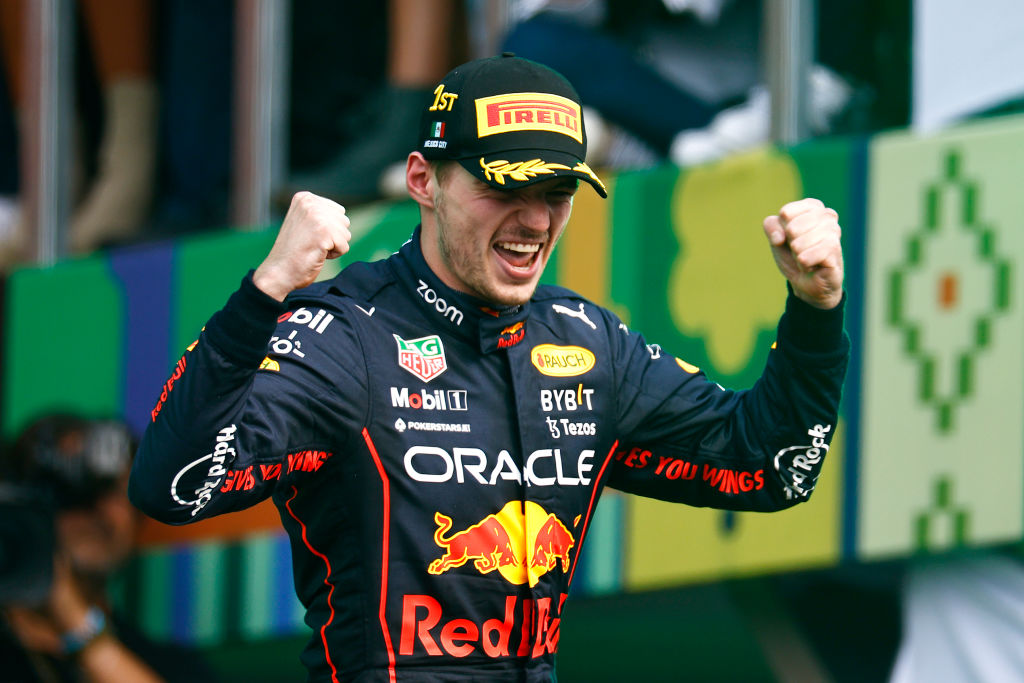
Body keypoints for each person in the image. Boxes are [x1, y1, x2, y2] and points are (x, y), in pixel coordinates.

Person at [128, 54, 849, 681]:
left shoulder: (589, 343)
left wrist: (816, 310)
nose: (535, 220)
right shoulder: (343, 335)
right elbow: (173, 487)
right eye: (507, 186)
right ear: (422, 179)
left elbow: (773, 467)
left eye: (557, 192)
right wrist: (265, 292)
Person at [0, 414, 214, 682]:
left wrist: (81, 628)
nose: (92, 506)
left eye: (109, 485)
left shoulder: (173, 667)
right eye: (66, 489)